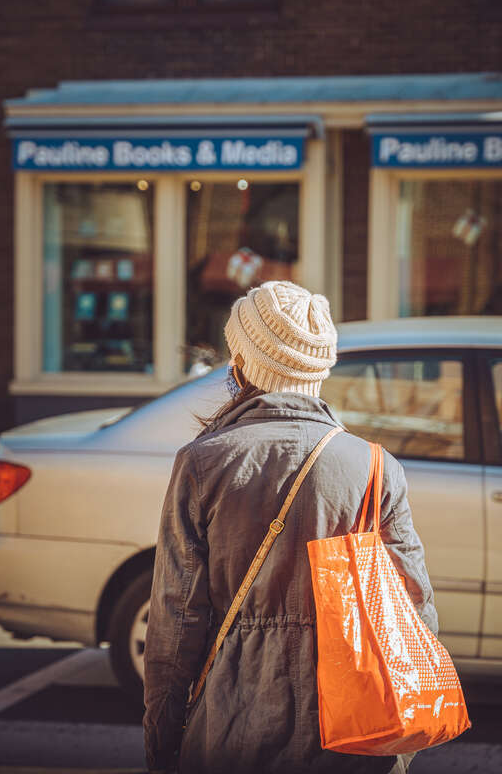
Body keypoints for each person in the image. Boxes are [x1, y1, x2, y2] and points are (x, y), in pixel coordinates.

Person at [143, 280, 438, 774]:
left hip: (232, 726)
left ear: (240, 367)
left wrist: (163, 741)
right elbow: (415, 611)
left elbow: (176, 623)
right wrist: (399, 750)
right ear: (318, 370)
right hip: (353, 738)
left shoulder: (204, 464)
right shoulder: (375, 466)